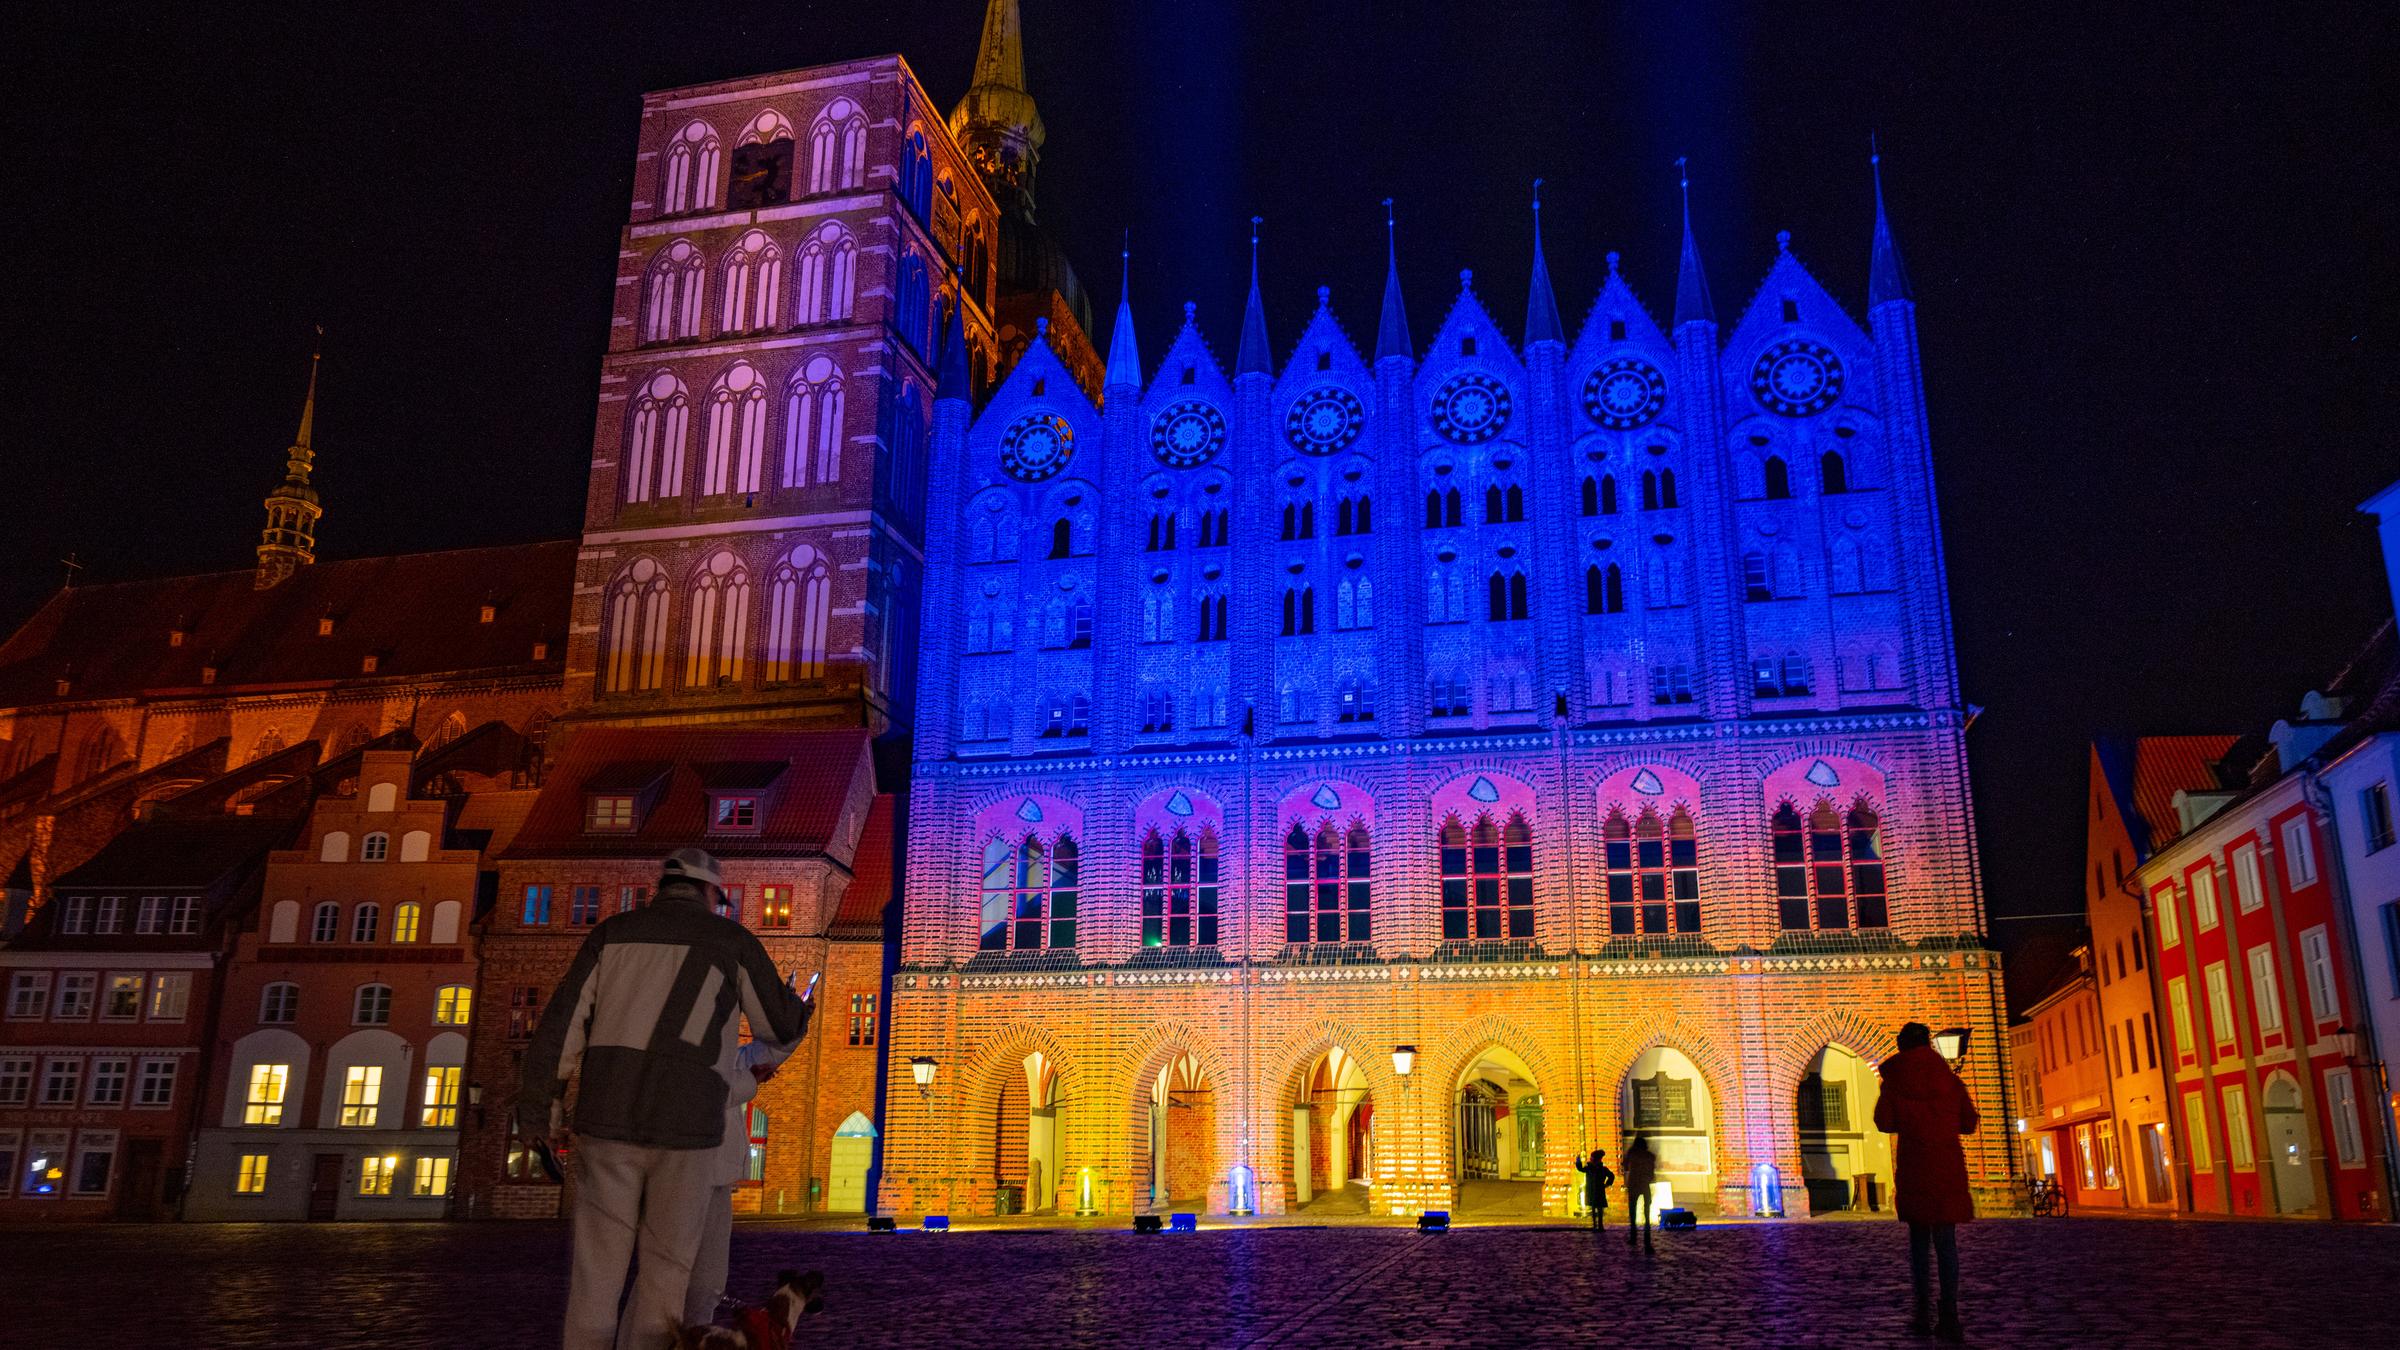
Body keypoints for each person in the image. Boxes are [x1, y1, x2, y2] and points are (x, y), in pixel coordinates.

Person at [518, 847, 812, 1350]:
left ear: (663, 887)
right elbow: (781, 1023)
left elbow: (560, 1031)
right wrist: (796, 1012)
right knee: (666, 1272)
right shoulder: (731, 940)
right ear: (711, 893)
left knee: (596, 1275)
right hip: (687, 1129)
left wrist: (540, 1115)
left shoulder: (610, 934)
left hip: (606, 1120)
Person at [683, 1034, 797, 1331]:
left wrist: (793, 1022)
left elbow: (757, 1056)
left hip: (718, 1171)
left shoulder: (720, 1044)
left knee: (707, 1283)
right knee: (668, 1277)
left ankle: (694, 1335)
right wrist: (749, 1080)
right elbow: (703, 1088)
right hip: (686, 1168)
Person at [1874, 1021, 1980, 1343]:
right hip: (1946, 1167)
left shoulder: (1894, 1080)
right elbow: (1969, 1123)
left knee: (1919, 1244)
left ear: (1902, 1046)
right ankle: (1949, 1312)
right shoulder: (1950, 1080)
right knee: (1947, 1245)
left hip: (1915, 1166)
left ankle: (1920, 1310)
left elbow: (1884, 1122)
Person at [1620, 1134, 1657, 1253]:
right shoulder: (1650, 1156)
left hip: (1634, 1185)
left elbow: (1624, 1165)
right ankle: (1647, 1242)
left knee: (1633, 1213)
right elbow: (1652, 1173)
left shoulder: (1632, 1154)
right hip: (1645, 1185)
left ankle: (1633, 1237)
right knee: (1646, 1214)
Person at [1573, 1148, 1614, 1231]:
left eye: (1592, 1158)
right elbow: (1580, 1168)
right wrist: (1578, 1159)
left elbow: (1611, 1176)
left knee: (1598, 1209)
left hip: (1596, 1190)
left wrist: (1607, 1184)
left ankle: (1598, 1225)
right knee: (1596, 1209)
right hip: (1596, 1190)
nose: (1590, 1159)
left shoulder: (1595, 1168)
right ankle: (1597, 1225)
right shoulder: (1592, 1168)